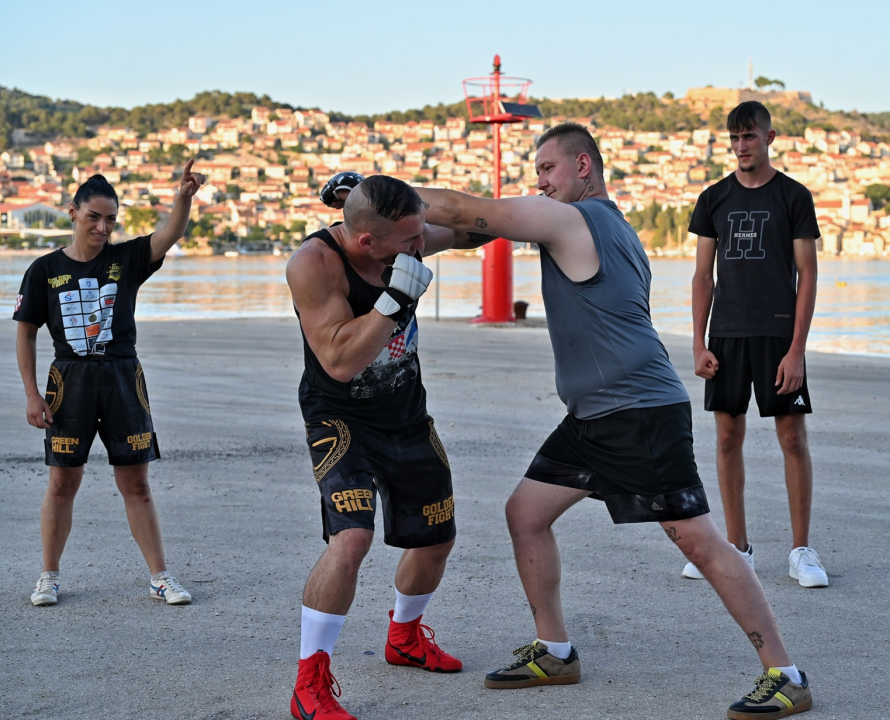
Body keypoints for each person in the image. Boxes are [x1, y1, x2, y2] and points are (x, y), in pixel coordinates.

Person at [415, 123, 813, 719]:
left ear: (583, 166)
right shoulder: (605, 226)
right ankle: (555, 651)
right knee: (525, 514)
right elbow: (455, 231)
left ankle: (785, 674)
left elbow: (465, 209)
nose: (539, 180)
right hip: (592, 419)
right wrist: (385, 233)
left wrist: (376, 190)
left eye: (547, 168)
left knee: (702, 544)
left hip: (638, 416)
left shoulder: (578, 221)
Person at [286, 174, 492, 720]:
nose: (422, 248)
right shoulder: (314, 263)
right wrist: (395, 297)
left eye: (421, 235)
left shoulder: (407, 237)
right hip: (341, 417)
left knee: (436, 537)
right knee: (352, 539)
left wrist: (533, 216)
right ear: (365, 242)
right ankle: (309, 681)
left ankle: (403, 637)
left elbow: (473, 231)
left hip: (405, 413)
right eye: (409, 242)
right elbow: (339, 360)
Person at [13, 161, 206, 607]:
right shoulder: (44, 270)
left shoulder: (127, 259)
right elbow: (25, 330)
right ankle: (49, 576)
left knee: (136, 483)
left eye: (111, 219)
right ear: (73, 213)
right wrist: (31, 393)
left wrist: (183, 198)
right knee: (62, 483)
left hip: (123, 376)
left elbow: (168, 235)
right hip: (69, 380)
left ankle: (160, 577)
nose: (103, 227)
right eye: (94, 217)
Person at [683, 101, 826, 589]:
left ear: (769, 138)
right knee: (726, 438)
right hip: (727, 334)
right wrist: (698, 343)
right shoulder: (713, 199)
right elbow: (703, 276)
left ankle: (801, 551)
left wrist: (797, 350)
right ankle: (737, 547)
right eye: (735, 138)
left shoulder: (793, 196)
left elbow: (807, 276)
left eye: (750, 136)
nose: (742, 146)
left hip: (778, 335)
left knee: (792, 438)